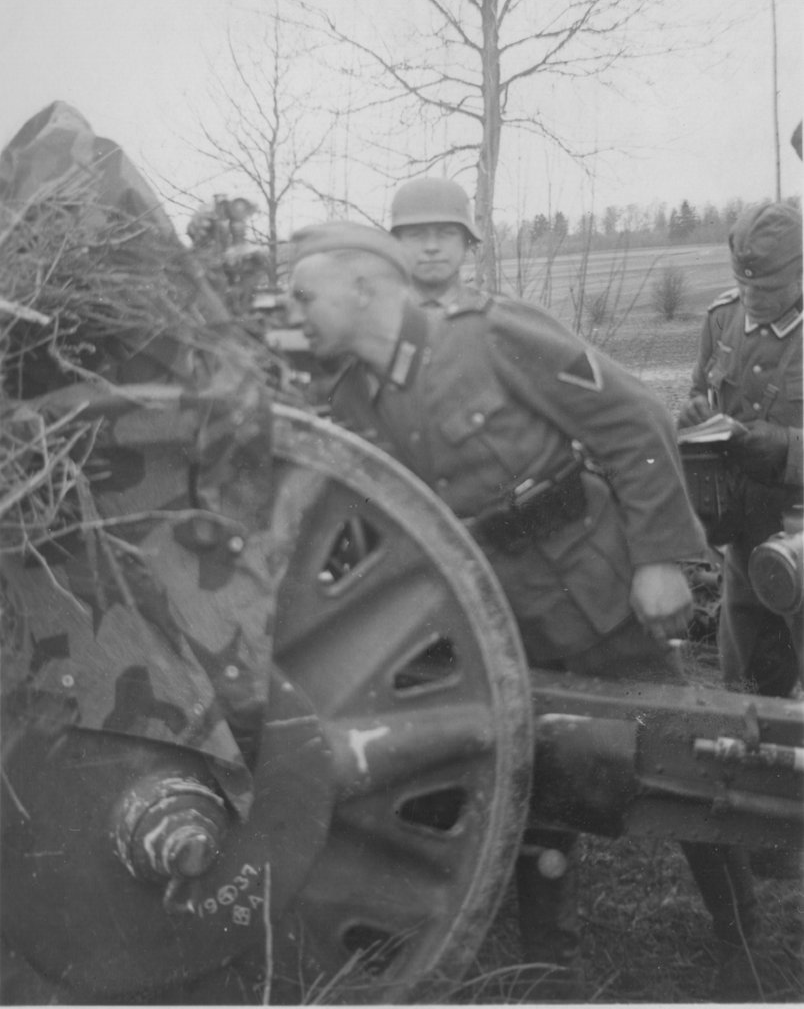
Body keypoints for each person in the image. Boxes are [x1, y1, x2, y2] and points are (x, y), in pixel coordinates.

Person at [288, 220, 758, 1001]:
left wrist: (657, 559)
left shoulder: (490, 336)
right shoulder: (353, 397)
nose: (294, 309)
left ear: (364, 285)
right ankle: (551, 973)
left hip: (594, 589)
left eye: (307, 293)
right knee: (531, 775)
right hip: (494, 623)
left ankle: (739, 939)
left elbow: (634, 418)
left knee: (678, 756)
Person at [678, 201, 803, 699]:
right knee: (747, 693)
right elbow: (698, 391)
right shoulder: (722, 320)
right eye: (743, 282)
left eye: (765, 287)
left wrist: (778, 449)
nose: (750, 296)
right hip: (747, 544)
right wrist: (695, 417)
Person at [389, 176, 481, 310]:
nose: (431, 247)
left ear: (466, 242)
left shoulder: (504, 321)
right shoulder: (371, 318)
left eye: (446, 233)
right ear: (397, 243)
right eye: (416, 234)